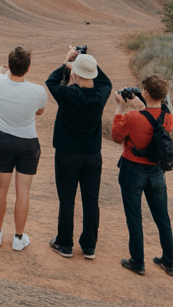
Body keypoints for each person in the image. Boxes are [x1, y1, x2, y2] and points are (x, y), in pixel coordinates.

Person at [45, 46, 112, 260]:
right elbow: (105, 82)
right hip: (92, 155)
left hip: (67, 154)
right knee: (91, 200)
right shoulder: (100, 95)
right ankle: (89, 246)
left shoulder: (66, 94)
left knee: (67, 199)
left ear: (75, 72)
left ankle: (64, 243)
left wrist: (68, 62)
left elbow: (51, 81)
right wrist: (87, 61)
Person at [112, 74, 173, 277]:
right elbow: (157, 114)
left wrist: (121, 107)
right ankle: (169, 261)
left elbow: (116, 135)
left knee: (134, 217)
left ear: (146, 92)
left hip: (132, 169)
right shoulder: (168, 118)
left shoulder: (132, 117)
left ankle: (137, 261)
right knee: (162, 218)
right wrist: (144, 103)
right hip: (156, 172)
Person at [0, 47, 48, 251]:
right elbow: (40, 112)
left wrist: (5, 65)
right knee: (23, 193)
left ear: (9, 65)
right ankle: (19, 238)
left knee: (1, 187)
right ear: (28, 68)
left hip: (3, 140)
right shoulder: (38, 91)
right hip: (28, 143)